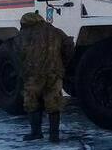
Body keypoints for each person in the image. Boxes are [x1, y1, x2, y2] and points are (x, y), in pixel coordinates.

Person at [14, 12, 74, 142]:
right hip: (54, 73)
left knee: (32, 102)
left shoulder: (22, 36)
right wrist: (63, 63)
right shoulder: (55, 31)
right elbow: (69, 44)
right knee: (54, 103)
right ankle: (54, 136)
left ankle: (36, 133)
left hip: (32, 75)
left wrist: (22, 71)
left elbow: (17, 56)